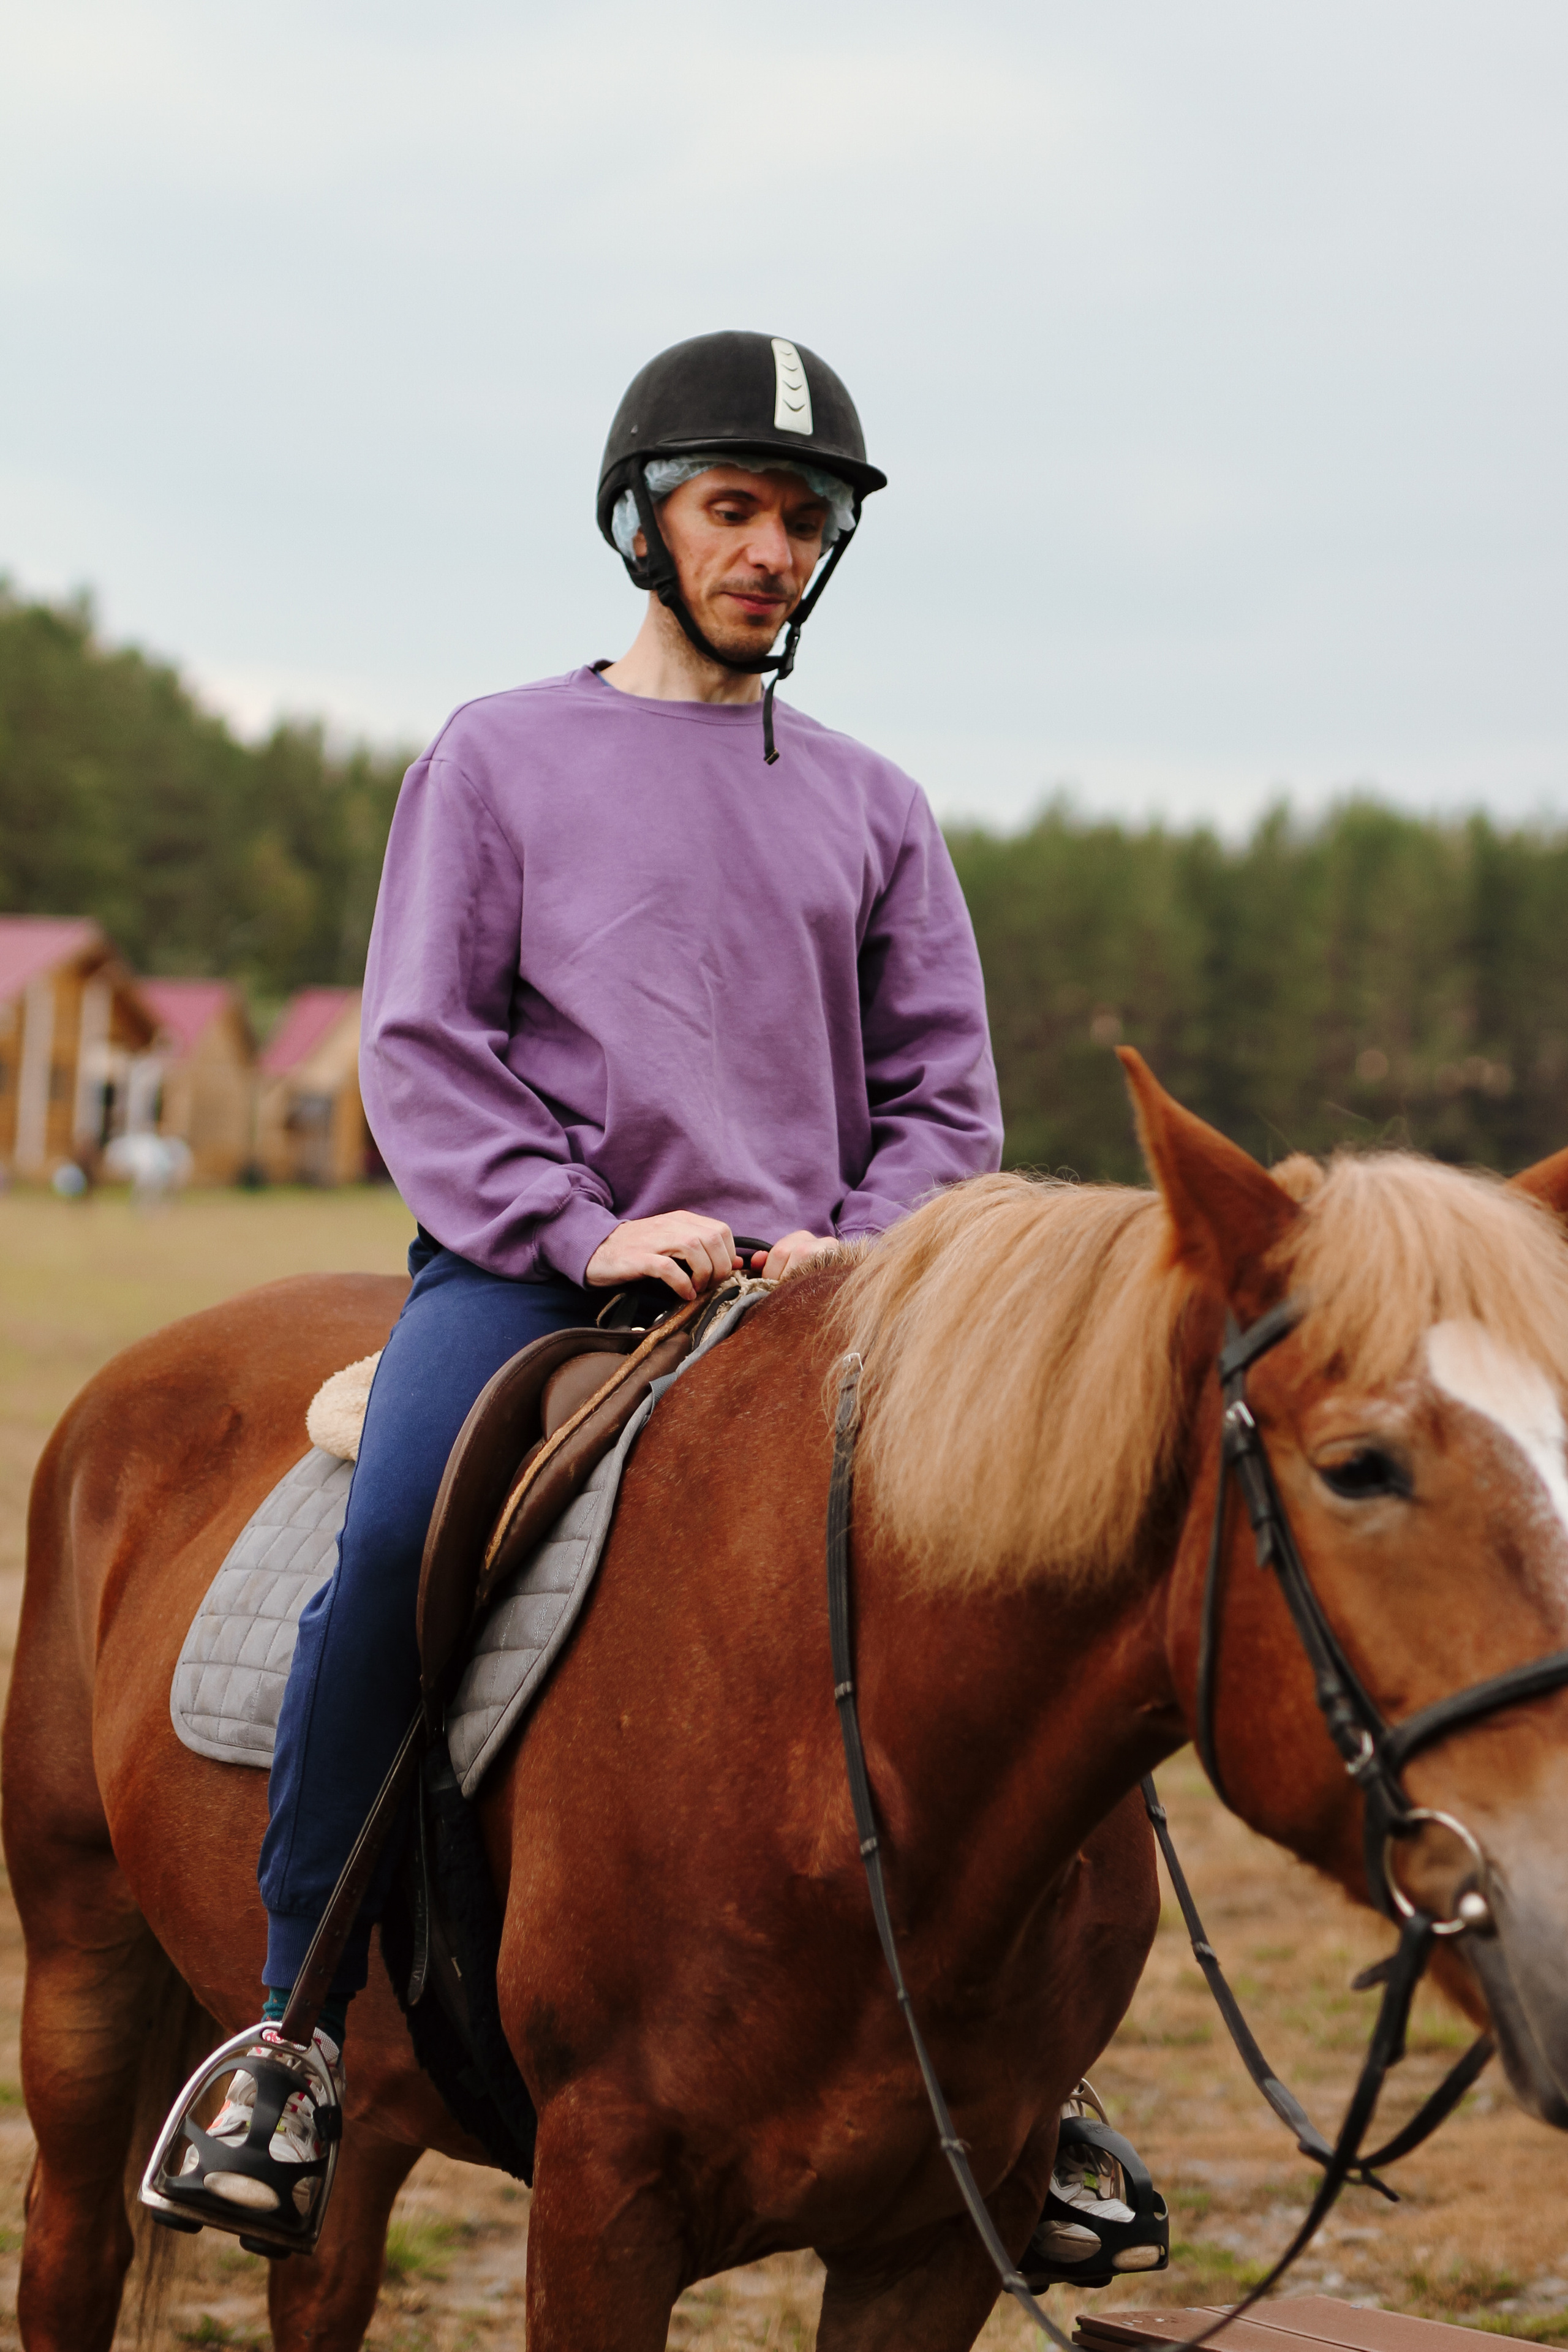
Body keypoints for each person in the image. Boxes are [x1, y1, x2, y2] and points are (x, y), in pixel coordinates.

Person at [184, 330, 1006, 2224]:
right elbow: (424, 1041)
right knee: (398, 1538)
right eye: (736, 509)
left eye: (805, 522)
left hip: (822, 1301)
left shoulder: (878, 805)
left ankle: (1039, 2076)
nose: (773, 551)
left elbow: (946, 1091)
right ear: (643, 521)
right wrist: (586, 1223)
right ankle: (295, 2029)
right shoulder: (499, 754)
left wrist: (857, 1247)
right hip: (541, 1270)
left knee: (1028, 1572)